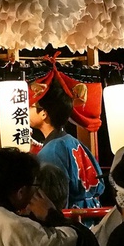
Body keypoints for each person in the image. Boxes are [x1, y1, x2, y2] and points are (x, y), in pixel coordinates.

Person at [29, 81, 105, 212]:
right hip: (91, 213)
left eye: (31, 106)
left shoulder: (51, 150)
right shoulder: (73, 142)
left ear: (43, 113)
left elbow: (55, 198)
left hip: (70, 216)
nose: (27, 110)